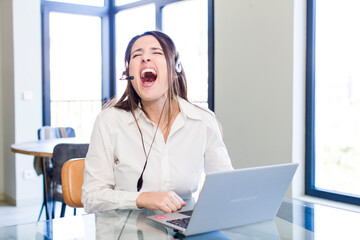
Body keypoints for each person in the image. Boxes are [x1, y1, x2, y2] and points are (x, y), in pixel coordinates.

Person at [82, 31, 233, 214]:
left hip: (183, 227)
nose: (145, 58)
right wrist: (141, 198)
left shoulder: (203, 120)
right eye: (137, 55)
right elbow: (91, 197)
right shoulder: (109, 122)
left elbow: (226, 186)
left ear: (175, 68)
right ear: (128, 74)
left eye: (156, 52)